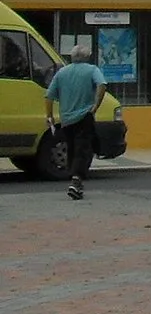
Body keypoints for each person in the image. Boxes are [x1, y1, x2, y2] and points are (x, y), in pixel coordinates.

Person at [45, 43, 107, 201]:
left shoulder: (62, 73)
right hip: (84, 116)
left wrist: (50, 116)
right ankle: (76, 180)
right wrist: (95, 105)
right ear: (87, 56)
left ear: (72, 57)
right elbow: (102, 85)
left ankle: (75, 181)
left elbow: (49, 96)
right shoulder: (92, 70)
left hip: (66, 119)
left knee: (72, 148)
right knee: (83, 148)